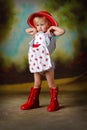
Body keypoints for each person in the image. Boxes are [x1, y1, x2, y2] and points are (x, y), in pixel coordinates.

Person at [20, 11, 65, 112]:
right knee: (37, 83)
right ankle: (33, 101)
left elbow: (62, 31)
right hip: (36, 63)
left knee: (51, 84)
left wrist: (52, 28)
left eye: (42, 24)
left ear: (48, 24)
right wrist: (35, 29)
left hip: (46, 63)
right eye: (37, 25)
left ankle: (54, 102)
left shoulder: (50, 34)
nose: (39, 27)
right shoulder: (36, 34)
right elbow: (27, 30)